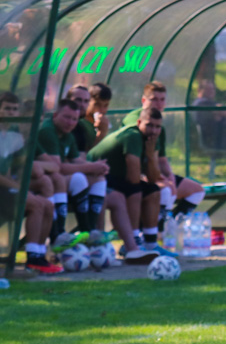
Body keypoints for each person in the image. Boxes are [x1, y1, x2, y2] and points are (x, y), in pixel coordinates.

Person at [0, 92, 62, 274]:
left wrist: (21, 185)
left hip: (2, 189)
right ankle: (32, 259)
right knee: (37, 204)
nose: (11, 113)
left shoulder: (13, 132)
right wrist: (22, 190)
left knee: (47, 204)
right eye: (7, 108)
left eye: (15, 109)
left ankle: (40, 255)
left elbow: (12, 169)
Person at [123, 81, 204, 244]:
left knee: (197, 191)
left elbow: (161, 159)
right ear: (143, 101)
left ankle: (168, 227)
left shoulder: (160, 126)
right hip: (136, 173)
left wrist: (170, 177)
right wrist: (162, 180)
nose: (159, 103)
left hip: (153, 172)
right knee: (165, 191)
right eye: (154, 99)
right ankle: (151, 233)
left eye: (162, 99)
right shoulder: (135, 120)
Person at [88, 107, 165, 264]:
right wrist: (149, 161)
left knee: (153, 191)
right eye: (150, 125)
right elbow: (133, 178)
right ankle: (133, 242)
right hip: (94, 175)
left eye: (158, 127)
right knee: (134, 190)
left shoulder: (152, 139)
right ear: (138, 123)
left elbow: (153, 178)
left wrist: (150, 155)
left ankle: (150, 244)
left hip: (115, 178)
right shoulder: (133, 136)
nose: (154, 131)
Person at [37, 99, 110, 250]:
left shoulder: (67, 135)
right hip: (40, 180)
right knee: (77, 178)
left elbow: (76, 160)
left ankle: (89, 231)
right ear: (56, 115)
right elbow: (58, 168)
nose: (70, 122)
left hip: (54, 178)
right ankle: (59, 234)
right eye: (67, 117)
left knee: (99, 179)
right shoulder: (47, 131)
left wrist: (97, 167)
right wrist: (90, 167)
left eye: (74, 119)